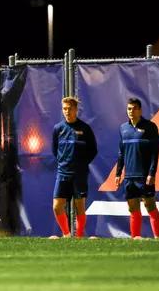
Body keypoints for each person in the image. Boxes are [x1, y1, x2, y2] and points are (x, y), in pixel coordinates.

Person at [115, 98, 159, 239]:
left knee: (149, 205)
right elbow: (121, 153)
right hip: (129, 176)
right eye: (129, 108)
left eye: (134, 108)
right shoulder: (123, 128)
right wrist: (118, 173)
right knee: (132, 208)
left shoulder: (150, 127)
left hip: (144, 175)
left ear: (140, 110)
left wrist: (151, 173)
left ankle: (158, 238)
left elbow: (155, 153)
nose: (131, 111)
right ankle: (135, 237)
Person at [51, 97, 98, 238]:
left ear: (76, 109)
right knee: (57, 206)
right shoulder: (58, 129)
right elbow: (55, 150)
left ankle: (79, 238)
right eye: (65, 109)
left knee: (80, 207)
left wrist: (81, 165)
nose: (67, 112)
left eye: (70, 108)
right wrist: (63, 162)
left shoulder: (85, 129)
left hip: (79, 174)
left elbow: (93, 150)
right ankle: (67, 234)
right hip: (63, 173)